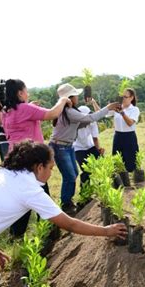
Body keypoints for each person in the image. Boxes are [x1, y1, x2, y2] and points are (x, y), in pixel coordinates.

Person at [0, 141, 127, 287]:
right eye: (51, 167)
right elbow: (68, 223)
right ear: (39, 167)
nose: (51, 172)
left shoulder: (0, 172)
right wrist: (106, 231)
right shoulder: (29, 190)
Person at [0, 79, 70, 238]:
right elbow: (53, 113)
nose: (28, 93)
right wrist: (62, 100)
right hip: (31, 158)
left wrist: (30, 107)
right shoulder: (25, 109)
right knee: (38, 195)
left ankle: (18, 235)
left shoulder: (7, 111)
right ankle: (47, 231)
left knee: (27, 195)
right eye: (26, 90)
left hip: (15, 157)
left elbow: (2, 121)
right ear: (20, 93)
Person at [50, 83, 121, 215]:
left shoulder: (68, 111)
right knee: (70, 176)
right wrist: (108, 107)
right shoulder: (69, 112)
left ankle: (68, 202)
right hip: (60, 146)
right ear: (70, 98)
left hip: (67, 146)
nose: (78, 97)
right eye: (76, 95)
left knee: (74, 174)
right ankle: (66, 204)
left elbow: (87, 121)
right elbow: (90, 118)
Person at [73, 105, 104, 186]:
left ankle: (102, 187)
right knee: (86, 171)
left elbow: (95, 138)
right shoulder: (73, 124)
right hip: (78, 148)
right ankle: (85, 193)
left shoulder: (92, 122)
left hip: (91, 146)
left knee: (100, 166)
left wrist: (99, 150)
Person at [111, 88, 140, 172]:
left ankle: (133, 181)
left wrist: (122, 113)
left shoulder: (134, 109)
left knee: (130, 162)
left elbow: (130, 123)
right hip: (118, 136)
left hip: (129, 137)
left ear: (131, 98)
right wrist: (93, 102)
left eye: (125, 97)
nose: (123, 99)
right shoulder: (117, 108)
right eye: (122, 97)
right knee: (117, 162)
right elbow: (101, 112)